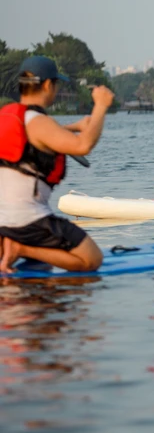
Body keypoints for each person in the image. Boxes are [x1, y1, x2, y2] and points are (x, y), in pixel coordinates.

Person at [0, 56, 115, 273]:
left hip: (3, 221)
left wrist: (74, 126)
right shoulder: (38, 122)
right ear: (47, 85)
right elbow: (83, 146)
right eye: (56, 84)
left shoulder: (9, 117)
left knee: (44, 266)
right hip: (28, 222)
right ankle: (21, 248)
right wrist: (100, 106)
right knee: (91, 260)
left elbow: (34, 140)